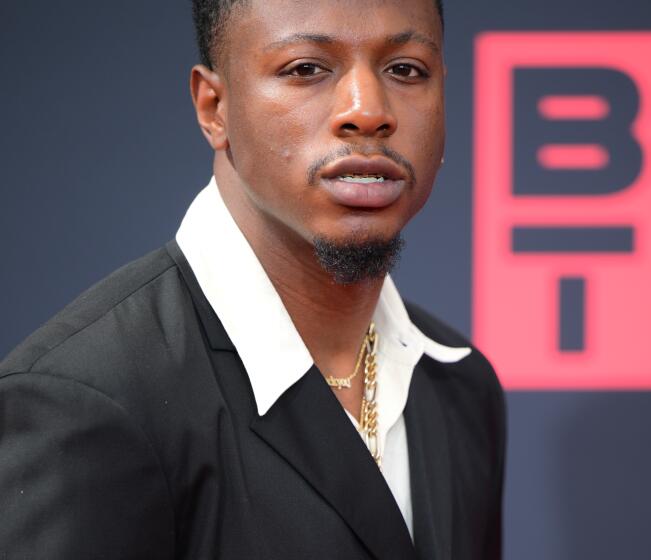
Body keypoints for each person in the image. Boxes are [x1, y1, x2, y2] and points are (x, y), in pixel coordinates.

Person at [0, 0, 505, 558]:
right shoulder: (86, 401)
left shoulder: (459, 387)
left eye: (406, 69)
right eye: (307, 68)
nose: (367, 110)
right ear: (214, 107)